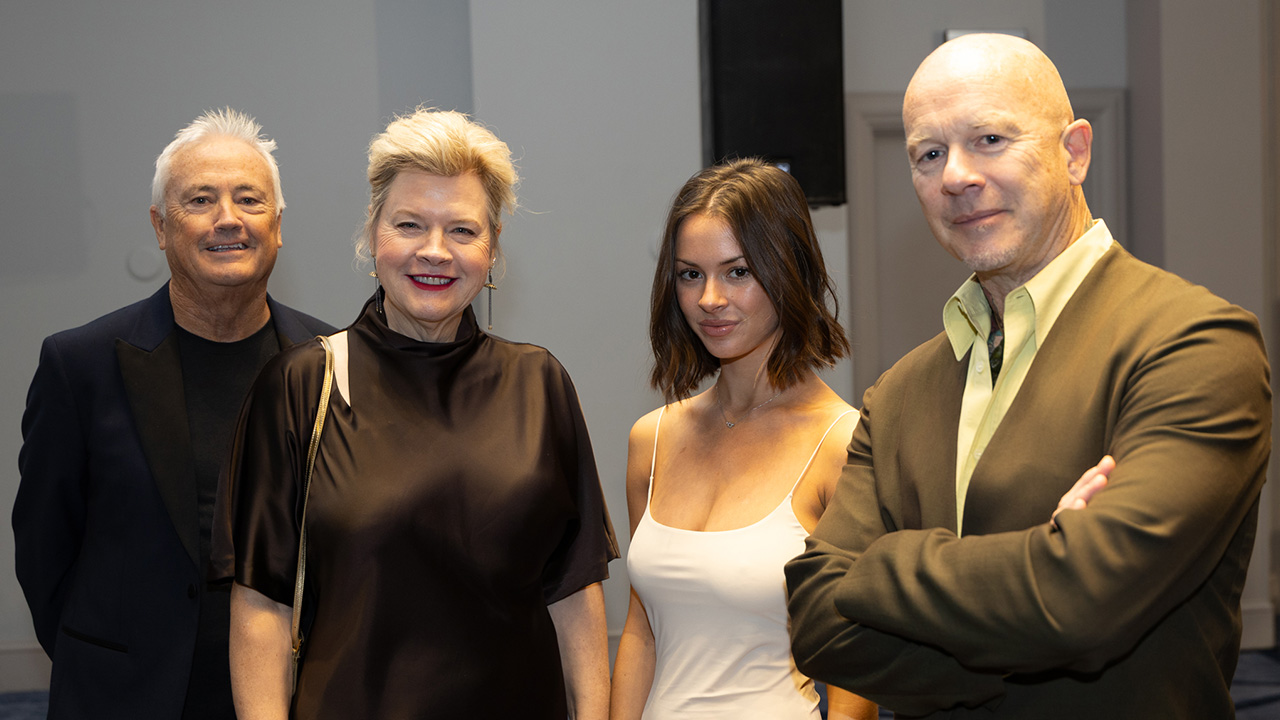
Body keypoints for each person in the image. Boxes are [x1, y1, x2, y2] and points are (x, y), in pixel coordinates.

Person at [784, 33, 1271, 719]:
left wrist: (880, 567)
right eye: (929, 153)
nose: (955, 176)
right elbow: (815, 620)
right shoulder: (898, 393)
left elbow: (1081, 602)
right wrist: (1036, 589)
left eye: (988, 139)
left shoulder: (1192, 343)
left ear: (1074, 152)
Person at [217, 108, 618, 719]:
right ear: (372, 235)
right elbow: (261, 607)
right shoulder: (301, 386)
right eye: (409, 224)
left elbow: (572, 592)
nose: (435, 252)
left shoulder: (539, 385)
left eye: (462, 230)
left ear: (492, 249)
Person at [13, 108, 334, 719]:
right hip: (123, 698)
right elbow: (43, 551)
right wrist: (106, 662)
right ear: (161, 227)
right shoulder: (79, 364)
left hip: (290, 697)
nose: (228, 220)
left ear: (279, 225)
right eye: (201, 200)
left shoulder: (329, 363)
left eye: (249, 199)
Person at [610, 159, 877, 720]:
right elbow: (644, 631)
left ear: (789, 272)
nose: (709, 299)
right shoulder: (651, 440)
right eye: (690, 274)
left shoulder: (843, 444)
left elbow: (856, 668)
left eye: (737, 272)